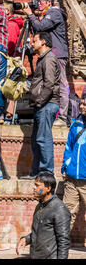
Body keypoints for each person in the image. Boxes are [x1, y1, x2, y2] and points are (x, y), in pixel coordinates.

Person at [22, 0, 69, 126]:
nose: (38, 4)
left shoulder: (54, 13)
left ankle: (63, 117)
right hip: (49, 55)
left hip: (57, 54)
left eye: (40, 1)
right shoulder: (47, 14)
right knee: (48, 84)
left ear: (49, 2)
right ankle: (50, 114)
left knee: (60, 84)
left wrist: (31, 15)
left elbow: (40, 26)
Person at [27, 32, 60, 177]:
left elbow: (49, 84)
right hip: (41, 105)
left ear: (43, 42)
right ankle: (37, 172)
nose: (32, 43)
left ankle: (46, 173)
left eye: (35, 41)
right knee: (36, 140)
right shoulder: (43, 58)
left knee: (43, 139)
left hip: (47, 104)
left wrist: (40, 102)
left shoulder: (49, 59)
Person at [16, 172, 71, 259]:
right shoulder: (40, 206)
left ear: (48, 188)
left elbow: (63, 241)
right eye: (34, 185)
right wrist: (26, 239)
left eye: (37, 186)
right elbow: (40, 231)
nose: (34, 188)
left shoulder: (59, 209)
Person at [61, 95, 86, 230]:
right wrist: (65, 166)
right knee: (67, 214)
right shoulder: (75, 125)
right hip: (71, 178)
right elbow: (68, 147)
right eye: (81, 104)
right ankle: (61, 247)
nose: (81, 107)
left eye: (85, 105)